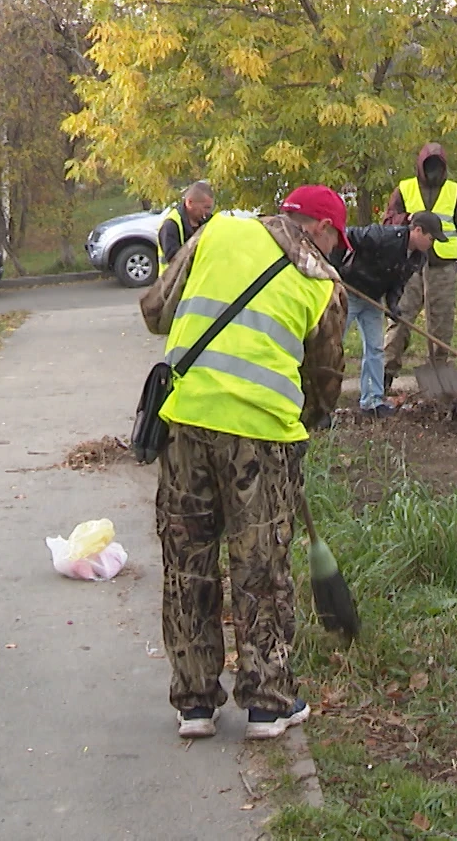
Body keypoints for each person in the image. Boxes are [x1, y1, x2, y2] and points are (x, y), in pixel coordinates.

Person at [139, 184, 348, 741]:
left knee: (188, 564)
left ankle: (194, 704)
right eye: (335, 239)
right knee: (262, 571)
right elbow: (325, 383)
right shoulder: (323, 282)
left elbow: (155, 311)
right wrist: (302, 427)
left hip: (184, 422)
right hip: (260, 439)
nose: (334, 250)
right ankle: (267, 703)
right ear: (323, 229)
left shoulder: (219, 230)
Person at [382, 143, 457, 386]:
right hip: (409, 265)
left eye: (438, 167)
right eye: (429, 167)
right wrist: (407, 219)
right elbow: (388, 220)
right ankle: (386, 374)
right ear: (421, 167)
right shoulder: (404, 189)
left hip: (442, 266)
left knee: (441, 322)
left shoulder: (454, 192)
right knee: (400, 317)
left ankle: (439, 372)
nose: (434, 172)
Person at [332, 211, 443, 418]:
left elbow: (398, 281)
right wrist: (334, 270)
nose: (432, 243)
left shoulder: (419, 257)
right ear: (417, 230)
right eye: (431, 238)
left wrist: (393, 304)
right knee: (333, 346)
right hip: (349, 292)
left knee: (375, 349)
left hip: (374, 299)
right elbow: (347, 236)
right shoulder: (384, 236)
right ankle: (321, 405)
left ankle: (372, 401)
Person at [158, 180, 215, 263]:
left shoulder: (207, 220)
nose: (208, 212)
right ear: (190, 202)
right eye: (206, 207)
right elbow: (175, 262)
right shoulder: (171, 225)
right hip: (175, 275)